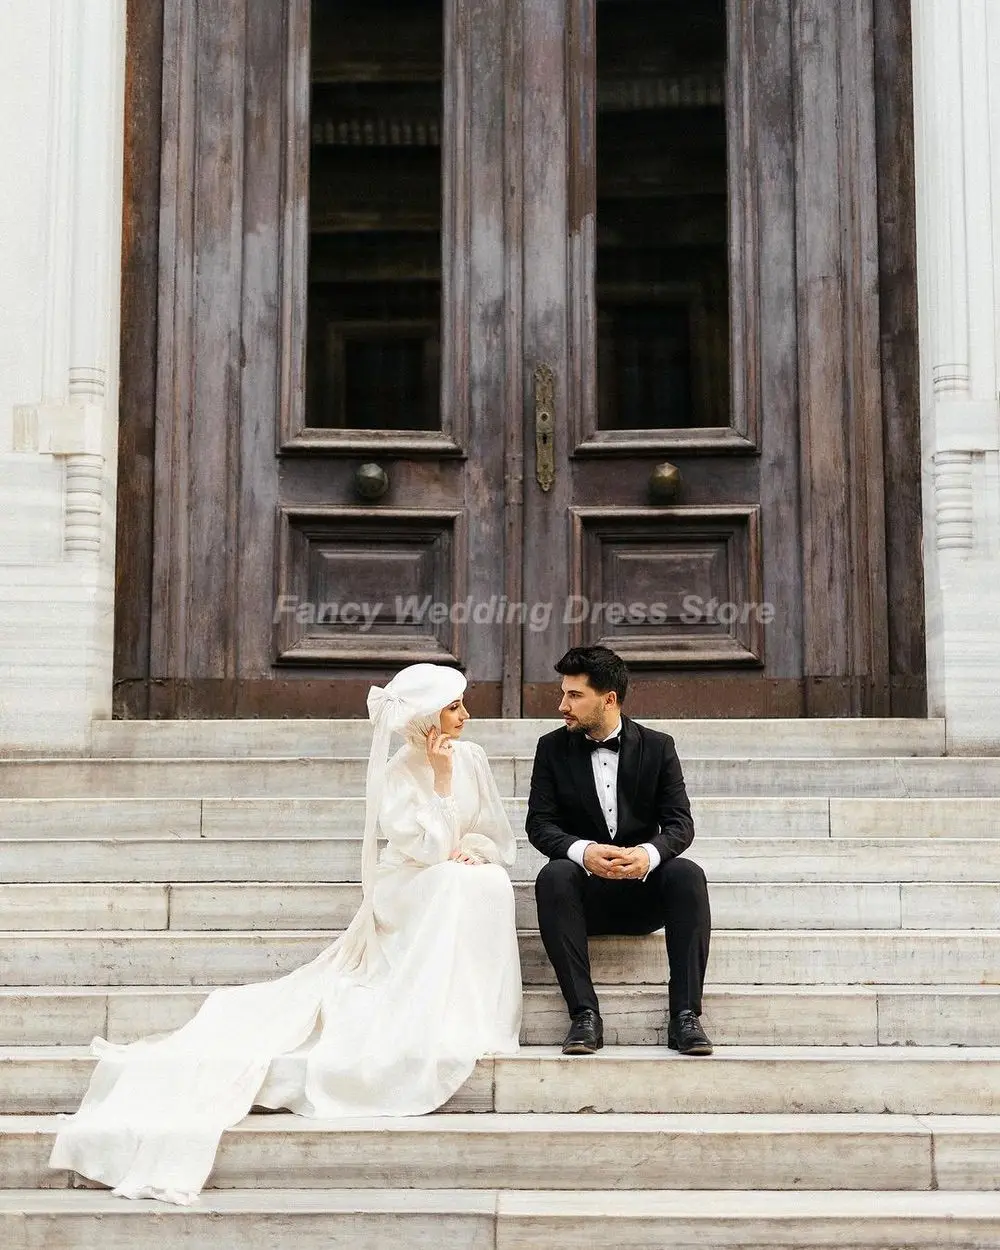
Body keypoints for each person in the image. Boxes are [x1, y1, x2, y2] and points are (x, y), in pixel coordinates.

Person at [49, 663, 521, 1204]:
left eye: (463, 705)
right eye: (454, 707)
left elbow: (492, 833)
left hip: (447, 872)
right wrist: (438, 781)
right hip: (407, 884)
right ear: (425, 719)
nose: (466, 716)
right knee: (452, 886)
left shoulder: (476, 759)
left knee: (487, 882)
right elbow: (423, 851)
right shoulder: (399, 773)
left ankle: (472, 1012)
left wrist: (475, 849)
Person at [526, 645, 713, 1056]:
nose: (562, 705)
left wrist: (648, 854)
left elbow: (681, 823)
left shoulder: (659, 746)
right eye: (563, 693)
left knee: (687, 873)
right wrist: (583, 851)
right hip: (584, 897)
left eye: (574, 695)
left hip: (642, 895)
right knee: (554, 874)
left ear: (609, 698)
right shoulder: (551, 748)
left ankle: (685, 1016)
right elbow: (540, 825)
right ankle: (584, 1016)